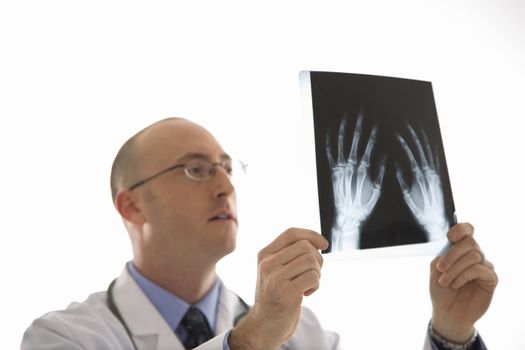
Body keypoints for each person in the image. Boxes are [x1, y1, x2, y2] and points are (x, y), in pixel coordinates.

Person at [21, 118, 498, 350]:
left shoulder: (305, 335)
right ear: (131, 203)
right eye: (196, 170)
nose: (225, 185)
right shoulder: (64, 337)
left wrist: (451, 334)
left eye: (228, 169)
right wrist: (248, 342)